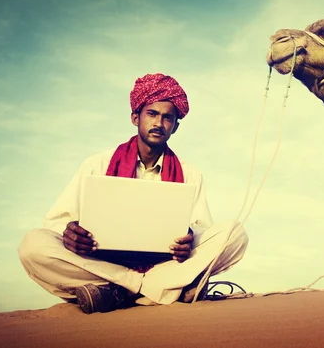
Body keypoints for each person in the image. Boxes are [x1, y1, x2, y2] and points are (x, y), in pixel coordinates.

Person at [18, 73, 248, 314]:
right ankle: (159, 290)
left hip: (165, 265)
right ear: (135, 117)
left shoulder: (190, 173)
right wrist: (69, 232)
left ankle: (118, 293)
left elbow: (202, 228)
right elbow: (55, 221)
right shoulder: (97, 164)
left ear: (175, 127)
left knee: (235, 234)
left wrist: (189, 237)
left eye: (167, 117)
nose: (159, 123)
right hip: (102, 263)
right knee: (32, 246)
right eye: (152, 114)